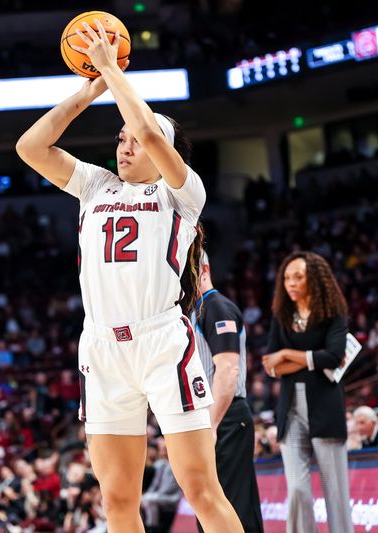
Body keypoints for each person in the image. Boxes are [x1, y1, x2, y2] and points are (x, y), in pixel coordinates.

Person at [15, 20, 243, 533]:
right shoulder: (95, 186)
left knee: (201, 489)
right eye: (118, 139)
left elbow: (145, 127)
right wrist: (88, 89)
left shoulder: (182, 192)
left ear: (168, 153)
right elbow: (30, 148)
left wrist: (114, 69)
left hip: (163, 343)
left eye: (136, 141)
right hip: (102, 347)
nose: (126, 145)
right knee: (117, 501)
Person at [261, 251, 353, 533]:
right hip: (290, 411)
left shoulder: (333, 314)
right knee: (298, 491)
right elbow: (270, 365)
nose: (291, 283)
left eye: (298, 277)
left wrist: (289, 354)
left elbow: (334, 357)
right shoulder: (281, 315)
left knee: (335, 493)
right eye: (287, 277)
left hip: (325, 408)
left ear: (314, 279)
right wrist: (311, 359)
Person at [190, 251, 264, 533]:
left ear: (203, 268)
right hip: (214, 418)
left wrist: (211, 425)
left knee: (232, 505)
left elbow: (228, 370)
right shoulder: (196, 311)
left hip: (226, 418)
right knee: (211, 505)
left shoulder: (217, 307)